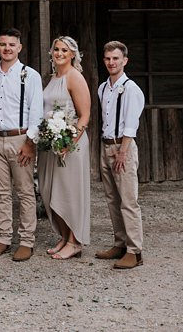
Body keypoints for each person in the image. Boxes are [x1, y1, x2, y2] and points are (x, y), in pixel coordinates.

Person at [0, 28, 44, 262]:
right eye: (3, 44)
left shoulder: (30, 75)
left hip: (21, 138)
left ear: (19, 47)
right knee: (0, 191)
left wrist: (30, 142)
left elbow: (36, 111)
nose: (7, 48)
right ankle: (3, 238)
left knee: (25, 191)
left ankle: (27, 241)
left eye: (11, 44)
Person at [38, 36, 91, 260]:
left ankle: (75, 241)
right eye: (56, 49)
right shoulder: (53, 78)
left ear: (73, 55)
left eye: (64, 50)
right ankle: (63, 235)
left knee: (69, 191)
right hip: (52, 144)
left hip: (71, 145)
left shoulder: (74, 77)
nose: (59, 53)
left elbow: (84, 115)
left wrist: (69, 143)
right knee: (51, 190)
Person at [96, 41, 146, 269]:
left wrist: (123, 152)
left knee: (128, 200)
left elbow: (130, 124)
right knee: (112, 199)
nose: (111, 62)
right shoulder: (103, 88)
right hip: (106, 145)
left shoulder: (131, 89)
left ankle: (135, 251)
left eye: (115, 58)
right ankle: (120, 243)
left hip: (122, 147)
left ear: (124, 60)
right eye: (107, 58)